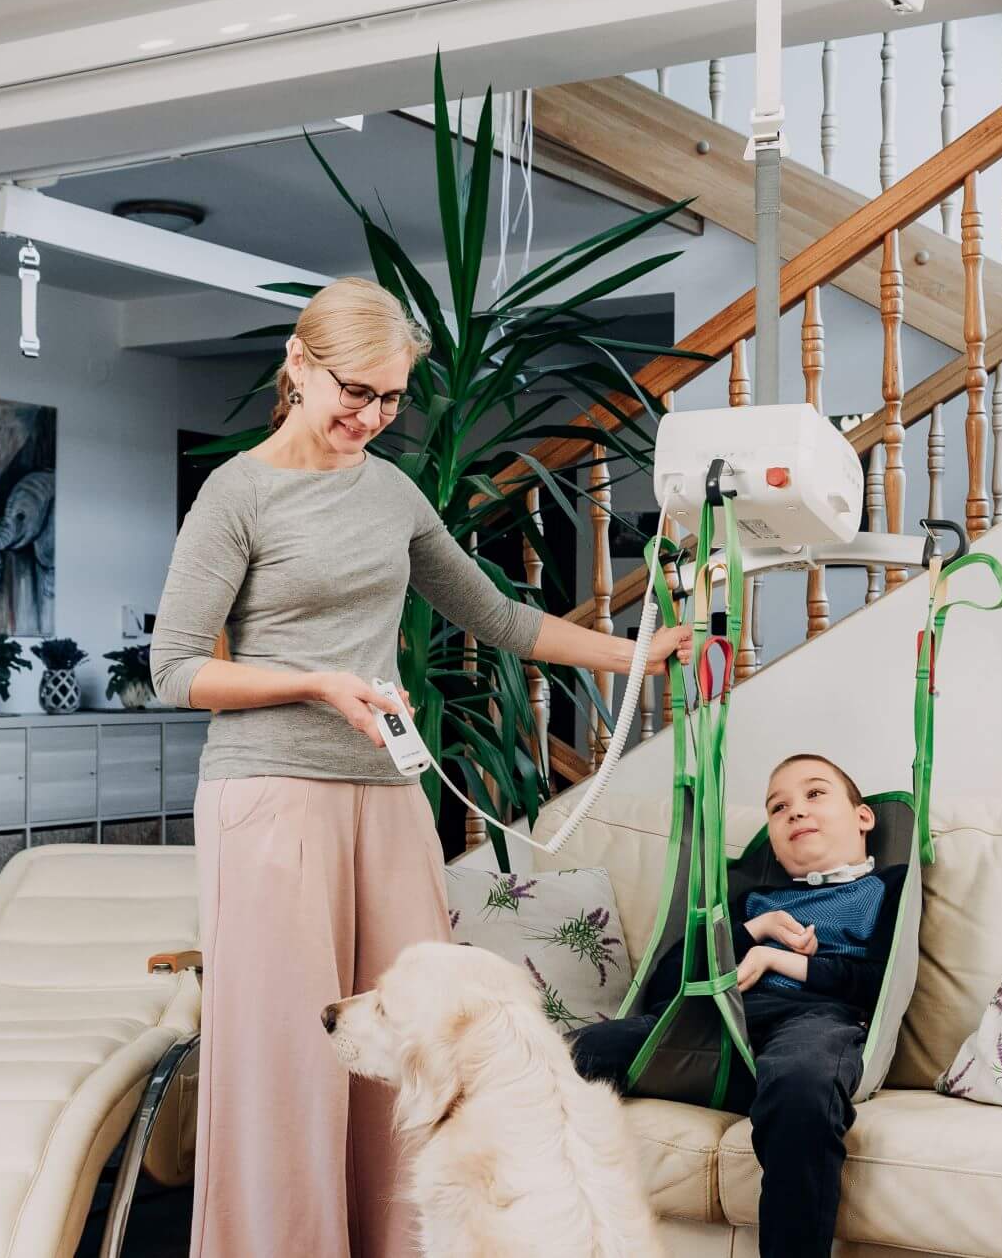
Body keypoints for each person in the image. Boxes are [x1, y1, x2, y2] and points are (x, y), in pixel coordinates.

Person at [150, 276, 696, 1258]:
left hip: (386, 797)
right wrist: (317, 684)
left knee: (410, 1046)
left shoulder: (391, 491)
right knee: (288, 1060)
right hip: (269, 798)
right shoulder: (238, 492)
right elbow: (175, 667)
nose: (369, 415)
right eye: (352, 391)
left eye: (391, 397)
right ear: (297, 365)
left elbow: (493, 616)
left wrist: (634, 654)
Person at [568, 754, 907, 1258]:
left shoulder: (888, 888)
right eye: (778, 807)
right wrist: (756, 932)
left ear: (863, 817)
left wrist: (785, 962)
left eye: (815, 794)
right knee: (577, 1051)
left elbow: (879, 983)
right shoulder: (750, 899)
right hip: (724, 1024)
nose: (796, 811)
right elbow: (667, 987)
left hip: (816, 1021)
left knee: (801, 1083)